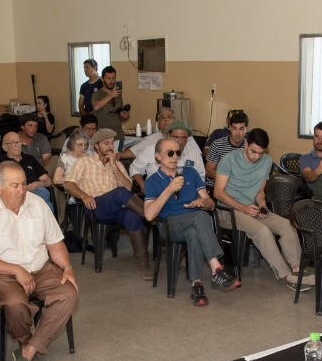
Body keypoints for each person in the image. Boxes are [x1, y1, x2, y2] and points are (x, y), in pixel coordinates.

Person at [0, 161, 79, 361]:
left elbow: (55, 243)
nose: (22, 190)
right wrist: (16, 270)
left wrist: (67, 267)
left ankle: (30, 348)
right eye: (14, 185)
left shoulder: (37, 203)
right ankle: (24, 341)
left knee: (69, 292)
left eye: (23, 184)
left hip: (41, 268)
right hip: (6, 273)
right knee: (14, 304)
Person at [143, 138, 238, 306]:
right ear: (158, 156)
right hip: (169, 225)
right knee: (200, 217)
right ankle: (217, 269)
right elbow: (149, 215)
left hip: (194, 223)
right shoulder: (152, 181)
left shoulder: (190, 172)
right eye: (169, 153)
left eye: (177, 153)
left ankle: (197, 286)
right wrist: (169, 189)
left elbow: (210, 204)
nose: (174, 157)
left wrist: (203, 202)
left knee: (194, 231)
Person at [212, 128, 309, 290]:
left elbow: (259, 191)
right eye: (253, 152)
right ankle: (286, 275)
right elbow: (218, 192)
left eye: (260, 153)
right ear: (246, 144)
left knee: (287, 225)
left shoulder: (266, 161)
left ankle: (297, 269)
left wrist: (262, 205)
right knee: (262, 231)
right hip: (228, 210)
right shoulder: (228, 160)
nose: (256, 157)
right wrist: (242, 208)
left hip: (252, 208)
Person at [63, 128, 152, 280]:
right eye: (106, 143)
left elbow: (128, 189)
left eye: (112, 143)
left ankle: (143, 265)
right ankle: (151, 215)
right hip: (95, 207)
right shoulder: (85, 162)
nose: (111, 147)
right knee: (119, 193)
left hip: (117, 208)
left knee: (133, 216)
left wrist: (114, 165)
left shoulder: (117, 164)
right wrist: (83, 196)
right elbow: (68, 184)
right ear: (96, 146)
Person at [0, 131, 54, 213]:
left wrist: (36, 184)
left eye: (18, 142)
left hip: (34, 193)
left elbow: (48, 181)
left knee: (42, 193)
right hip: (13, 195)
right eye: (12, 143)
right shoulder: (1, 163)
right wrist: (23, 189)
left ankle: (46, 224)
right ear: (4, 147)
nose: (17, 145)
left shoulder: (30, 159)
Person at [204, 110, 249, 179]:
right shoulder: (217, 144)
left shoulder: (249, 147)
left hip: (241, 186)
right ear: (230, 128)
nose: (237, 133)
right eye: (234, 128)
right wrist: (229, 181)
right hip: (218, 184)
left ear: (246, 129)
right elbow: (209, 171)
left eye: (241, 129)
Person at [90, 65, 124, 139]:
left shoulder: (118, 94)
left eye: (113, 78)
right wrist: (110, 96)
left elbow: (119, 116)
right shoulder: (97, 94)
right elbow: (96, 107)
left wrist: (125, 116)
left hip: (118, 135)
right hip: (103, 137)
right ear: (102, 79)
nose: (111, 81)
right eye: (108, 78)